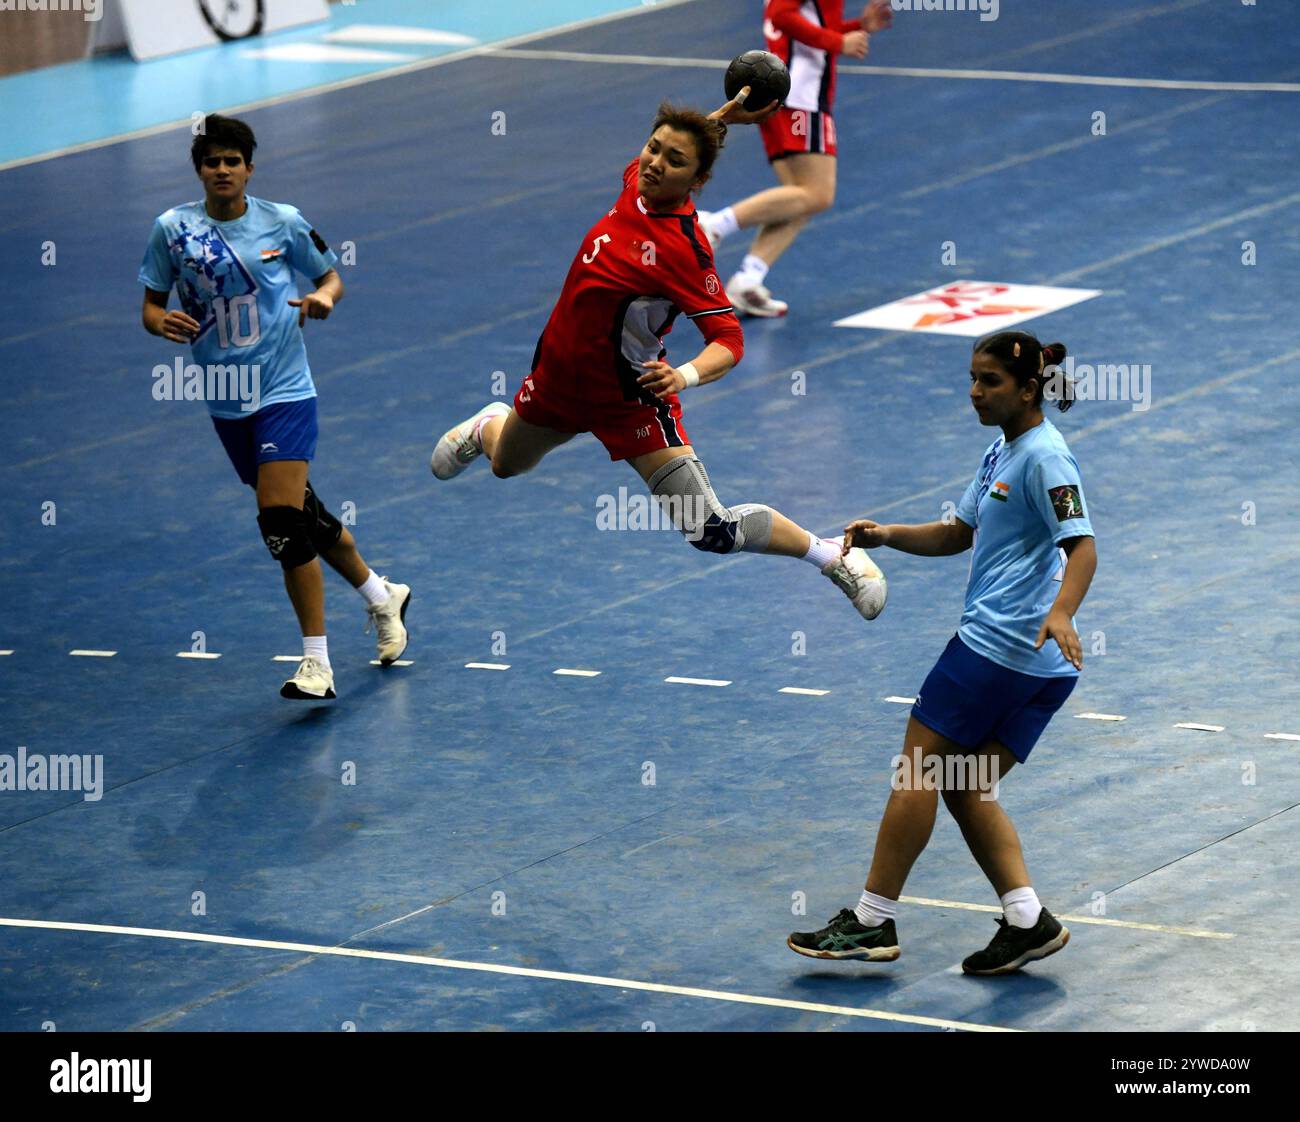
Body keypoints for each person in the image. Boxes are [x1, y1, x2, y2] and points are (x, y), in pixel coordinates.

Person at [429, 93, 887, 621]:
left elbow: (729, 340)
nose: (654, 163)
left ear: (696, 181)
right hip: (557, 375)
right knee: (506, 466)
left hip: (630, 398)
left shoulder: (686, 251)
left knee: (709, 529)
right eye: (653, 148)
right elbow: (675, 144)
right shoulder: (636, 183)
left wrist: (684, 375)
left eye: (674, 160)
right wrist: (721, 117)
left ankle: (831, 555)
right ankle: (491, 423)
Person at [788, 332, 1097, 975]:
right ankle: (1026, 920)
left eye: (989, 381)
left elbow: (1083, 546)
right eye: (973, 378)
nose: (974, 392)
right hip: (1041, 669)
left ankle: (871, 921)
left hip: (999, 650)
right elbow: (959, 532)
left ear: (1027, 389)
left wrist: (1061, 610)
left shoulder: (1046, 460)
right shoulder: (1001, 450)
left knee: (918, 772)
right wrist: (887, 535)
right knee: (966, 785)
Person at [139, 114, 410, 701]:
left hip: (285, 390)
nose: (222, 171)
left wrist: (322, 298)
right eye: (212, 162)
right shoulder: (172, 230)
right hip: (226, 400)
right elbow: (150, 307)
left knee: (280, 522)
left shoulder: (282, 222)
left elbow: (332, 276)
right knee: (303, 514)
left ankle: (317, 662)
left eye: (232, 161)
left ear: (249, 169)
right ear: (200, 171)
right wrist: (164, 323)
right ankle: (381, 595)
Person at [698, 0, 893, 317]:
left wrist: (855, 27)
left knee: (800, 200)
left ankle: (748, 279)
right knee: (817, 194)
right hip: (801, 97)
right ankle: (713, 225)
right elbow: (781, 15)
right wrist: (838, 41)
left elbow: (800, 26)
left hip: (788, 95)